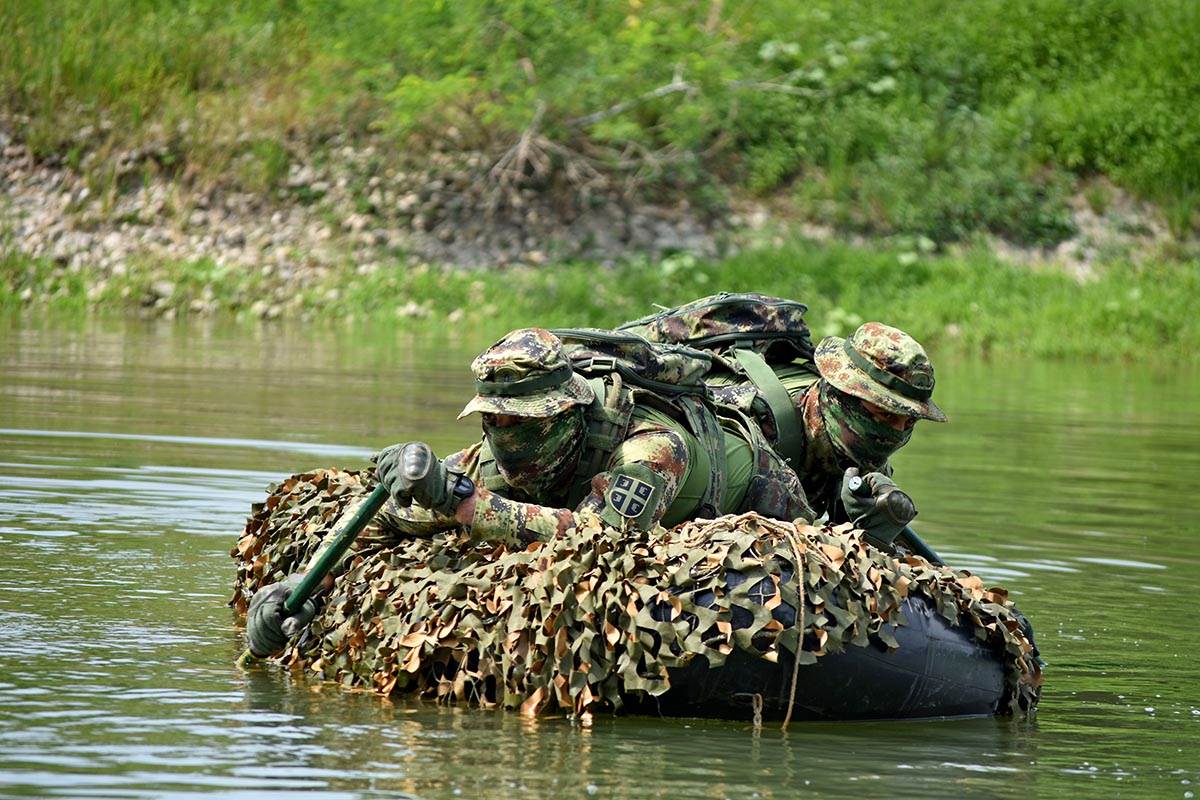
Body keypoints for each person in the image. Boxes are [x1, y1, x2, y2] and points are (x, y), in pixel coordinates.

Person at [370, 327, 813, 546]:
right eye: (495, 421)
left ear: (568, 411)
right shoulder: (496, 455)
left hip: (759, 496)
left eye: (523, 422)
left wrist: (461, 502)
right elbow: (390, 515)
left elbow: (602, 539)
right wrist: (420, 486)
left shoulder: (651, 448)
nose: (506, 436)